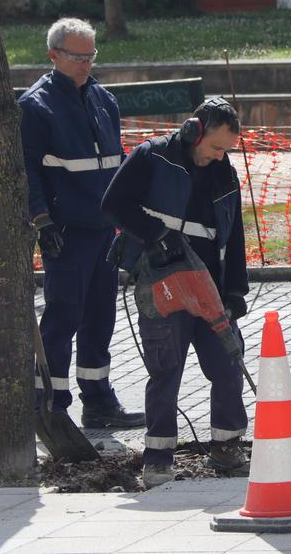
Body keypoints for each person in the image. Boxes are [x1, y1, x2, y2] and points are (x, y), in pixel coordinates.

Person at [101, 97, 250, 488]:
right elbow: (113, 204)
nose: (220, 157)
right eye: (216, 147)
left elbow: (234, 235)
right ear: (194, 131)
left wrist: (235, 292)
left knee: (228, 362)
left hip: (210, 287)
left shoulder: (224, 173)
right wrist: (156, 237)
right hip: (162, 284)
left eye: (227, 150)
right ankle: (158, 457)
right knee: (166, 369)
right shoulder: (152, 157)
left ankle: (227, 446)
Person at [19, 17, 145, 429]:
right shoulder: (36, 106)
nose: (86, 64)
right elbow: (28, 171)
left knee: (99, 316)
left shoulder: (103, 100)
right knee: (64, 315)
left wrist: (126, 223)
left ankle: (99, 402)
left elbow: (118, 166)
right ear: (53, 55)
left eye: (91, 55)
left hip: (104, 229)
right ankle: (50, 405)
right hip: (67, 232)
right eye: (77, 56)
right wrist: (42, 221)